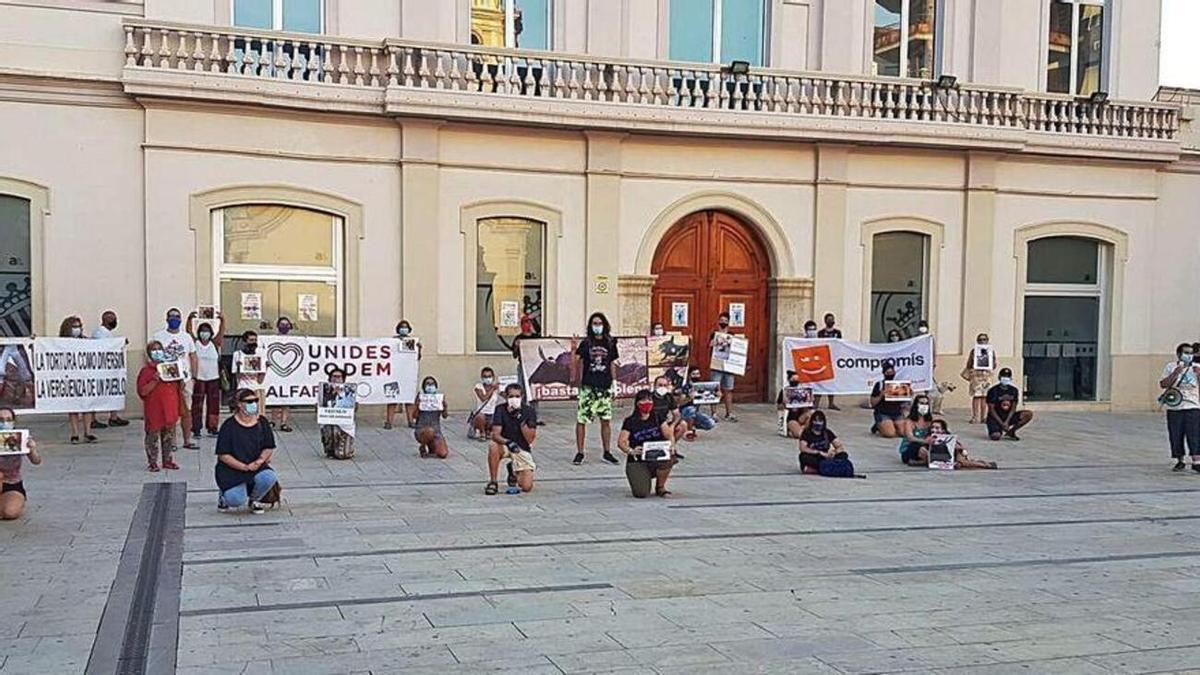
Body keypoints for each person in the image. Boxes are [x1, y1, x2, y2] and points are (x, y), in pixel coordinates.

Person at [215, 388, 278, 514]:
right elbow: (223, 455)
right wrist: (244, 467)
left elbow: (269, 446)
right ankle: (224, 496)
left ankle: (255, 500)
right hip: (232, 469)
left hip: (255, 466)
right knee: (236, 500)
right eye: (249, 401)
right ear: (239, 404)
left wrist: (259, 461)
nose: (253, 404)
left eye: (255, 401)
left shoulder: (262, 422)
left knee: (269, 477)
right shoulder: (229, 426)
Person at [573, 312, 620, 465]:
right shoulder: (586, 343)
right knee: (582, 420)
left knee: (605, 420)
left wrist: (614, 383)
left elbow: (612, 362)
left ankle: (607, 451)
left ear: (604, 325)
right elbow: (576, 361)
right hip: (588, 386)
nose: (597, 326)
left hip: (604, 386)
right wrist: (573, 349)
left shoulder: (610, 342)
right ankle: (580, 452)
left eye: (599, 323)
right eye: (594, 323)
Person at [617, 389, 677, 498]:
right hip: (638, 460)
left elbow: (669, 435)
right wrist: (631, 451)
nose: (647, 403)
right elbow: (621, 442)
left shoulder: (658, 417)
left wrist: (671, 445)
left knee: (669, 458)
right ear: (637, 403)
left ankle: (660, 487)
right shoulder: (630, 421)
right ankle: (643, 477)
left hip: (656, 455)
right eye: (644, 400)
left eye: (649, 399)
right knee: (641, 494)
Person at [153, 307, 199, 450]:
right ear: (167, 319)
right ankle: (171, 442)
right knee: (170, 412)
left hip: (185, 379)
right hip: (167, 380)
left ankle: (187, 439)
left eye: (177, 317)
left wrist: (194, 376)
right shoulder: (158, 336)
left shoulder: (187, 337)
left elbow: (193, 356)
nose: (174, 319)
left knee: (187, 410)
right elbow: (153, 355)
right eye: (172, 317)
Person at [485, 383, 538, 495]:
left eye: (517, 396)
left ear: (522, 397)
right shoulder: (500, 409)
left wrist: (519, 417)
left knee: (526, 486)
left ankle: (513, 472)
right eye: (511, 396)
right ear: (506, 397)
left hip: (521, 447)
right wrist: (508, 442)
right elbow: (495, 434)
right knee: (493, 446)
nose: (514, 399)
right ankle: (493, 481)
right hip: (506, 445)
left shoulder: (529, 411)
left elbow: (530, 439)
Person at [136, 340, 180, 472]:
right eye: (154, 350)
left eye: (159, 349)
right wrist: (155, 380)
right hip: (154, 409)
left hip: (169, 408)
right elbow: (142, 391)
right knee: (152, 436)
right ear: (149, 354)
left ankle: (168, 460)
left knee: (168, 436)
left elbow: (178, 388)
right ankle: (153, 462)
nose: (157, 352)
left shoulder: (169, 367)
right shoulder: (146, 371)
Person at [1160, 343, 1200, 472]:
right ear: (1179, 354)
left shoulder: (1197, 367)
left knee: (1194, 434)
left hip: (1193, 405)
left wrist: (1198, 375)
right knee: (1176, 434)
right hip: (1175, 406)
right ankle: (1180, 460)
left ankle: (1196, 460)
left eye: (1191, 353)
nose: (1189, 355)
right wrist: (1176, 373)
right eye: (1186, 353)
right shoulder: (1170, 367)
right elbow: (1163, 384)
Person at [90, 310, 130, 428]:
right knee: (96, 394)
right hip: (100, 371)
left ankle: (113, 416)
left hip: (110, 370)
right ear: (106, 320)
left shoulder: (108, 333)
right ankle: (92, 419)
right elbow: (103, 347)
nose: (114, 321)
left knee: (114, 391)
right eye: (112, 319)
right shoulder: (99, 333)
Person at [59, 316, 96, 444]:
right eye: (74, 326)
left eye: (79, 326)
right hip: (70, 378)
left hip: (85, 377)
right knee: (73, 407)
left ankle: (88, 432)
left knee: (87, 406)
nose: (77, 329)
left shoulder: (86, 341)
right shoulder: (60, 343)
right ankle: (75, 433)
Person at [0, 407, 41, 520]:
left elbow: (36, 461)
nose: (4, 423)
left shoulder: (20, 437)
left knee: (10, 513)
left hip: (12, 483)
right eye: (1, 420)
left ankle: (14, 503)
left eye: (8, 420)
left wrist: (32, 449)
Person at [188, 312, 225, 438]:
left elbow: (221, 334)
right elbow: (189, 333)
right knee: (197, 404)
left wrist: (222, 321)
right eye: (202, 331)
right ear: (199, 332)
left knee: (213, 404)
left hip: (213, 378)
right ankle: (196, 428)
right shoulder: (195, 343)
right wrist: (190, 319)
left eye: (207, 331)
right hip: (199, 378)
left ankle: (213, 427)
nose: (205, 333)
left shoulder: (214, 343)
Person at [386, 319, 421, 429]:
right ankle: (389, 422)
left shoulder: (411, 341)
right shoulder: (393, 341)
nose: (404, 329)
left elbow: (417, 358)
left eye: (406, 327)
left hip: (407, 374)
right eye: (402, 327)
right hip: (395, 373)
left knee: (408, 398)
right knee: (392, 398)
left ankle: (410, 421)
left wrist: (418, 349)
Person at [985, 368, 1034, 441]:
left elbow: (1013, 407)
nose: (1005, 379)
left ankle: (1011, 432)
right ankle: (998, 429)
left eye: (1007, 377)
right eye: (1003, 376)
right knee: (996, 436)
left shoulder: (1014, 390)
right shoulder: (993, 390)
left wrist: (1007, 421)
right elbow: (991, 409)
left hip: (1008, 416)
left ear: (1011, 378)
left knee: (1028, 414)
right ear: (999, 377)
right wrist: (1002, 424)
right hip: (995, 418)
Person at [707, 312, 739, 422]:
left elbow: (738, 349)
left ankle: (729, 413)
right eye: (721, 320)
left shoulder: (732, 335)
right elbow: (710, 346)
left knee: (728, 389)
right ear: (718, 322)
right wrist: (716, 340)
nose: (723, 322)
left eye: (725, 321)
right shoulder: (714, 334)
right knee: (715, 388)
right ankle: (714, 413)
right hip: (716, 364)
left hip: (729, 365)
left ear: (729, 322)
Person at [931, 419, 998, 470]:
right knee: (959, 465)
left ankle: (985, 465)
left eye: (937, 428)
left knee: (962, 462)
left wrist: (957, 447)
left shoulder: (949, 436)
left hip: (956, 454)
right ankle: (977, 462)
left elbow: (960, 447)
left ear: (943, 430)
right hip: (941, 458)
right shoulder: (928, 436)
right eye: (932, 427)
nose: (934, 430)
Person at [320, 367, 355, 460]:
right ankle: (330, 449)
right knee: (330, 431)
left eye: (339, 377)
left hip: (344, 425)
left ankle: (347, 448)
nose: (336, 379)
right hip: (329, 423)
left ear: (343, 379)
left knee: (342, 455)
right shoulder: (324, 391)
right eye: (334, 377)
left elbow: (353, 408)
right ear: (330, 378)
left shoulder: (349, 392)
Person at [798, 410, 846, 475]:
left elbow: (839, 446)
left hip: (827, 457)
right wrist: (819, 453)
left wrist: (833, 453)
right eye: (815, 421)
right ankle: (827, 468)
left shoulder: (827, 433)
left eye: (820, 421)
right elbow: (803, 448)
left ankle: (819, 469)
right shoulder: (806, 433)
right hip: (815, 456)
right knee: (803, 457)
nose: (818, 423)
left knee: (843, 455)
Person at [650, 375, 686, 459]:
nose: (662, 388)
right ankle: (671, 450)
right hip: (651, 424)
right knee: (667, 430)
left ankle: (670, 448)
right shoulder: (649, 397)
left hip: (664, 423)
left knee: (683, 425)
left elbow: (677, 414)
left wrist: (672, 426)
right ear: (654, 386)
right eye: (660, 385)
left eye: (665, 385)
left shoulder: (669, 397)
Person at [963, 332, 996, 424]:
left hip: (986, 376)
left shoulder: (990, 351)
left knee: (985, 397)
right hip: (976, 376)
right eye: (980, 340)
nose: (982, 341)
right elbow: (969, 364)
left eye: (984, 339)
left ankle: (984, 417)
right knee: (976, 397)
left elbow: (994, 364)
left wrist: (990, 362)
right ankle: (975, 416)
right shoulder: (974, 351)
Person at [414, 375, 450, 459]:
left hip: (436, 431)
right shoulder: (421, 398)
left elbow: (445, 416)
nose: (430, 386)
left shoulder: (438, 399)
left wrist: (445, 407)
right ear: (424, 387)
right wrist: (417, 406)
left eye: (432, 384)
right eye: (427, 384)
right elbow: (414, 416)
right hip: (422, 430)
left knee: (443, 453)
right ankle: (423, 446)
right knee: (429, 431)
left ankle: (431, 448)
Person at [677, 366, 716, 441]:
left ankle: (691, 426)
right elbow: (679, 403)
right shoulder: (685, 386)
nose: (696, 376)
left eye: (697, 374)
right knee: (690, 409)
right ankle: (689, 431)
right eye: (693, 374)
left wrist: (717, 395)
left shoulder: (701, 386)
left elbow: (709, 398)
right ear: (689, 375)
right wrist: (689, 398)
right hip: (684, 411)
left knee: (711, 423)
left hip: (695, 412)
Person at [269, 316, 294, 432]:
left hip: (289, 372)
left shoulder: (294, 340)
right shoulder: (272, 339)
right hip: (275, 371)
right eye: (282, 324)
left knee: (286, 398)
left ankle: (284, 422)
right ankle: (273, 421)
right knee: (275, 397)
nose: (284, 327)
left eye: (286, 324)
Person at [869, 360, 904, 438]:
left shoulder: (899, 385)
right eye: (888, 373)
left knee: (903, 433)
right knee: (890, 434)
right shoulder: (879, 385)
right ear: (884, 373)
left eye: (892, 372)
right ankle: (879, 425)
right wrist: (881, 395)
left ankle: (891, 425)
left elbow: (904, 404)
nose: (890, 375)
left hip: (897, 413)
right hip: (883, 413)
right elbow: (872, 403)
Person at [897, 393, 935, 465]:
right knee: (915, 445)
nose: (924, 406)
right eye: (921, 403)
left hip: (925, 446)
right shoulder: (909, 421)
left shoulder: (929, 421)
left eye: (926, 404)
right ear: (916, 405)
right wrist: (925, 441)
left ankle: (924, 461)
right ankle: (926, 460)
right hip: (910, 449)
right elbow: (910, 438)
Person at [232, 330, 265, 407]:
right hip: (242, 387)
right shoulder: (237, 354)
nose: (253, 342)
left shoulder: (260, 355)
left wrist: (265, 368)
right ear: (245, 342)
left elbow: (260, 380)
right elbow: (237, 377)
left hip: (256, 388)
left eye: (255, 340)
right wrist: (239, 367)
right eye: (251, 340)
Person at [776, 371, 813, 439]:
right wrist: (786, 403)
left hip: (801, 417)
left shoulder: (803, 391)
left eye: (797, 380)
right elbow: (779, 407)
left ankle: (801, 429)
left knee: (812, 414)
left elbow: (810, 407)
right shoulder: (785, 391)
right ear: (789, 380)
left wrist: (809, 399)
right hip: (791, 418)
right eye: (793, 379)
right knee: (800, 434)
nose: (796, 381)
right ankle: (797, 431)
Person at [816, 313, 842, 410]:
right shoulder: (821, 333)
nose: (831, 321)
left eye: (832, 319)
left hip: (833, 359)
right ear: (825, 321)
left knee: (831, 382)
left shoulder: (838, 333)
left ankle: (831, 403)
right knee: (820, 381)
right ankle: (816, 403)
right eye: (829, 319)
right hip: (823, 360)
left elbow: (840, 345)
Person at [469, 367, 501, 441]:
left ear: (493, 377)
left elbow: (505, 396)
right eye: (485, 376)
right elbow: (483, 398)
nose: (487, 378)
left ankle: (488, 431)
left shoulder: (496, 388)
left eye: (489, 376)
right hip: (482, 413)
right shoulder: (478, 387)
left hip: (492, 413)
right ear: (482, 377)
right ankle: (482, 432)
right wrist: (492, 389)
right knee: (480, 417)